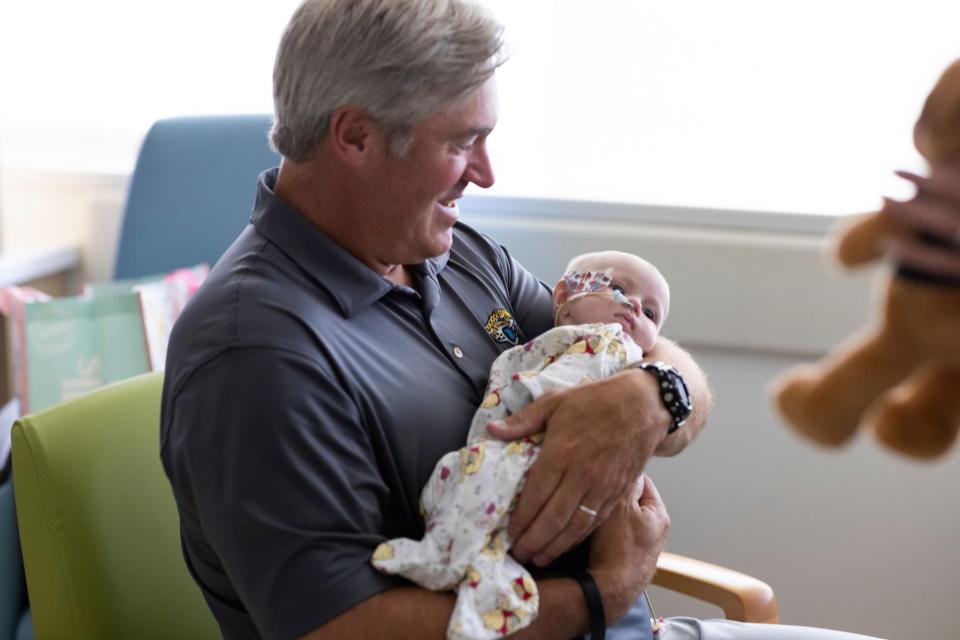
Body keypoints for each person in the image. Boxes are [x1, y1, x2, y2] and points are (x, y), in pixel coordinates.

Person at [160, 1, 885, 638]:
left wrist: (650, 396)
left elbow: (642, 351)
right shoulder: (257, 354)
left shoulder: (456, 255)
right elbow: (346, 628)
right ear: (354, 137)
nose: (485, 173)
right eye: (461, 142)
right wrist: (602, 595)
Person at [372, 251, 673, 639]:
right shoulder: (569, 333)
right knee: (466, 487)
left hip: (537, 451)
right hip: (508, 456)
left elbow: (566, 388)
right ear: (563, 297)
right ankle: (461, 567)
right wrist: (614, 582)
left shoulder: (610, 346)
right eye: (617, 288)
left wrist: (659, 392)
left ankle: (455, 563)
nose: (634, 307)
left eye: (651, 314)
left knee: (484, 495)